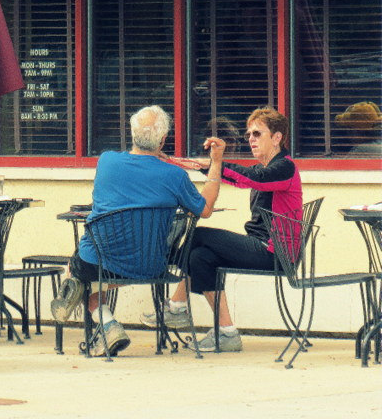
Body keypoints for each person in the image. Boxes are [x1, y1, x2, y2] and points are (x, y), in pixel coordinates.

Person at [51, 105, 224, 357]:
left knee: (79, 270)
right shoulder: (174, 175)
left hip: (98, 262)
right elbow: (205, 208)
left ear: (131, 133)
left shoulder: (107, 161)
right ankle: (91, 306)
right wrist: (216, 164)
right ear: (164, 140)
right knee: (88, 270)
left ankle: (105, 321)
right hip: (151, 265)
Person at [142, 106, 303, 353]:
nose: (250, 139)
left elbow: (251, 178)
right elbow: (234, 175)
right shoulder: (269, 167)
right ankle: (226, 332)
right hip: (262, 247)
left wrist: (216, 162)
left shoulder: (285, 167)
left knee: (197, 234)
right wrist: (178, 161)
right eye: (249, 134)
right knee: (200, 256)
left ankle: (176, 305)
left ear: (277, 137)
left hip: (276, 253)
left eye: (257, 134)